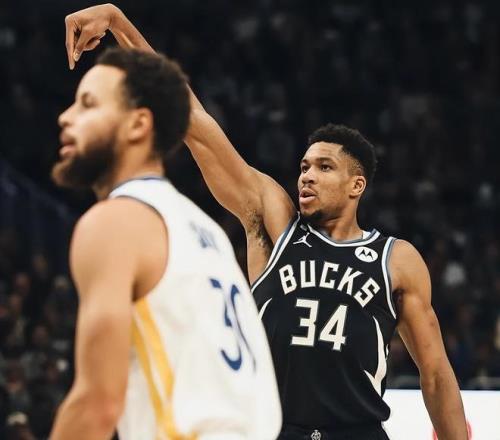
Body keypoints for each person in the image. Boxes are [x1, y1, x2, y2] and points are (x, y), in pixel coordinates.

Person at [64, 4, 468, 439]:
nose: (307, 176)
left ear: (357, 186)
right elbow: (193, 121)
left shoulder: (396, 259)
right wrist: (119, 22)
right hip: (276, 430)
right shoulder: (275, 222)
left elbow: (436, 375)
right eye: (304, 166)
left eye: (324, 167)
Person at [49, 47, 281, 440]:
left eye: (88, 104)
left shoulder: (115, 222)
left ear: (138, 125)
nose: (66, 117)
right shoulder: (204, 230)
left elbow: (97, 404)